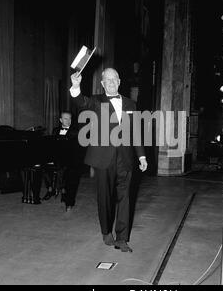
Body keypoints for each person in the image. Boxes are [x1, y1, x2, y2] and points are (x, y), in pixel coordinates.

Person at [70, 68, 148, 252]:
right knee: (105, 197)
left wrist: (142, 156)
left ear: (119, 82)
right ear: (103, 84)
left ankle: (122, 238)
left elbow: (136, 131)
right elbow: (81, 101)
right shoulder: (97, 101)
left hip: (126, 158)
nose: (111, 82)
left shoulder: (131, 104)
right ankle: (106, 232)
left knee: (125, 198)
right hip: (103, 158)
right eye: (107, 80)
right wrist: (75, 86)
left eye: (114, 79)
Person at [43, 111, 81, 212]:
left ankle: (69, 203)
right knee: (45, 168)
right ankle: (51, 189)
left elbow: (77, 150)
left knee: (71, 180)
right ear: (60, 120)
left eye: (69, 119)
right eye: (65, 119)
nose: (68, 121)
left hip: (71, 161)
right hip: (58, 160)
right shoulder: (55, 130)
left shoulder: (75, 132)